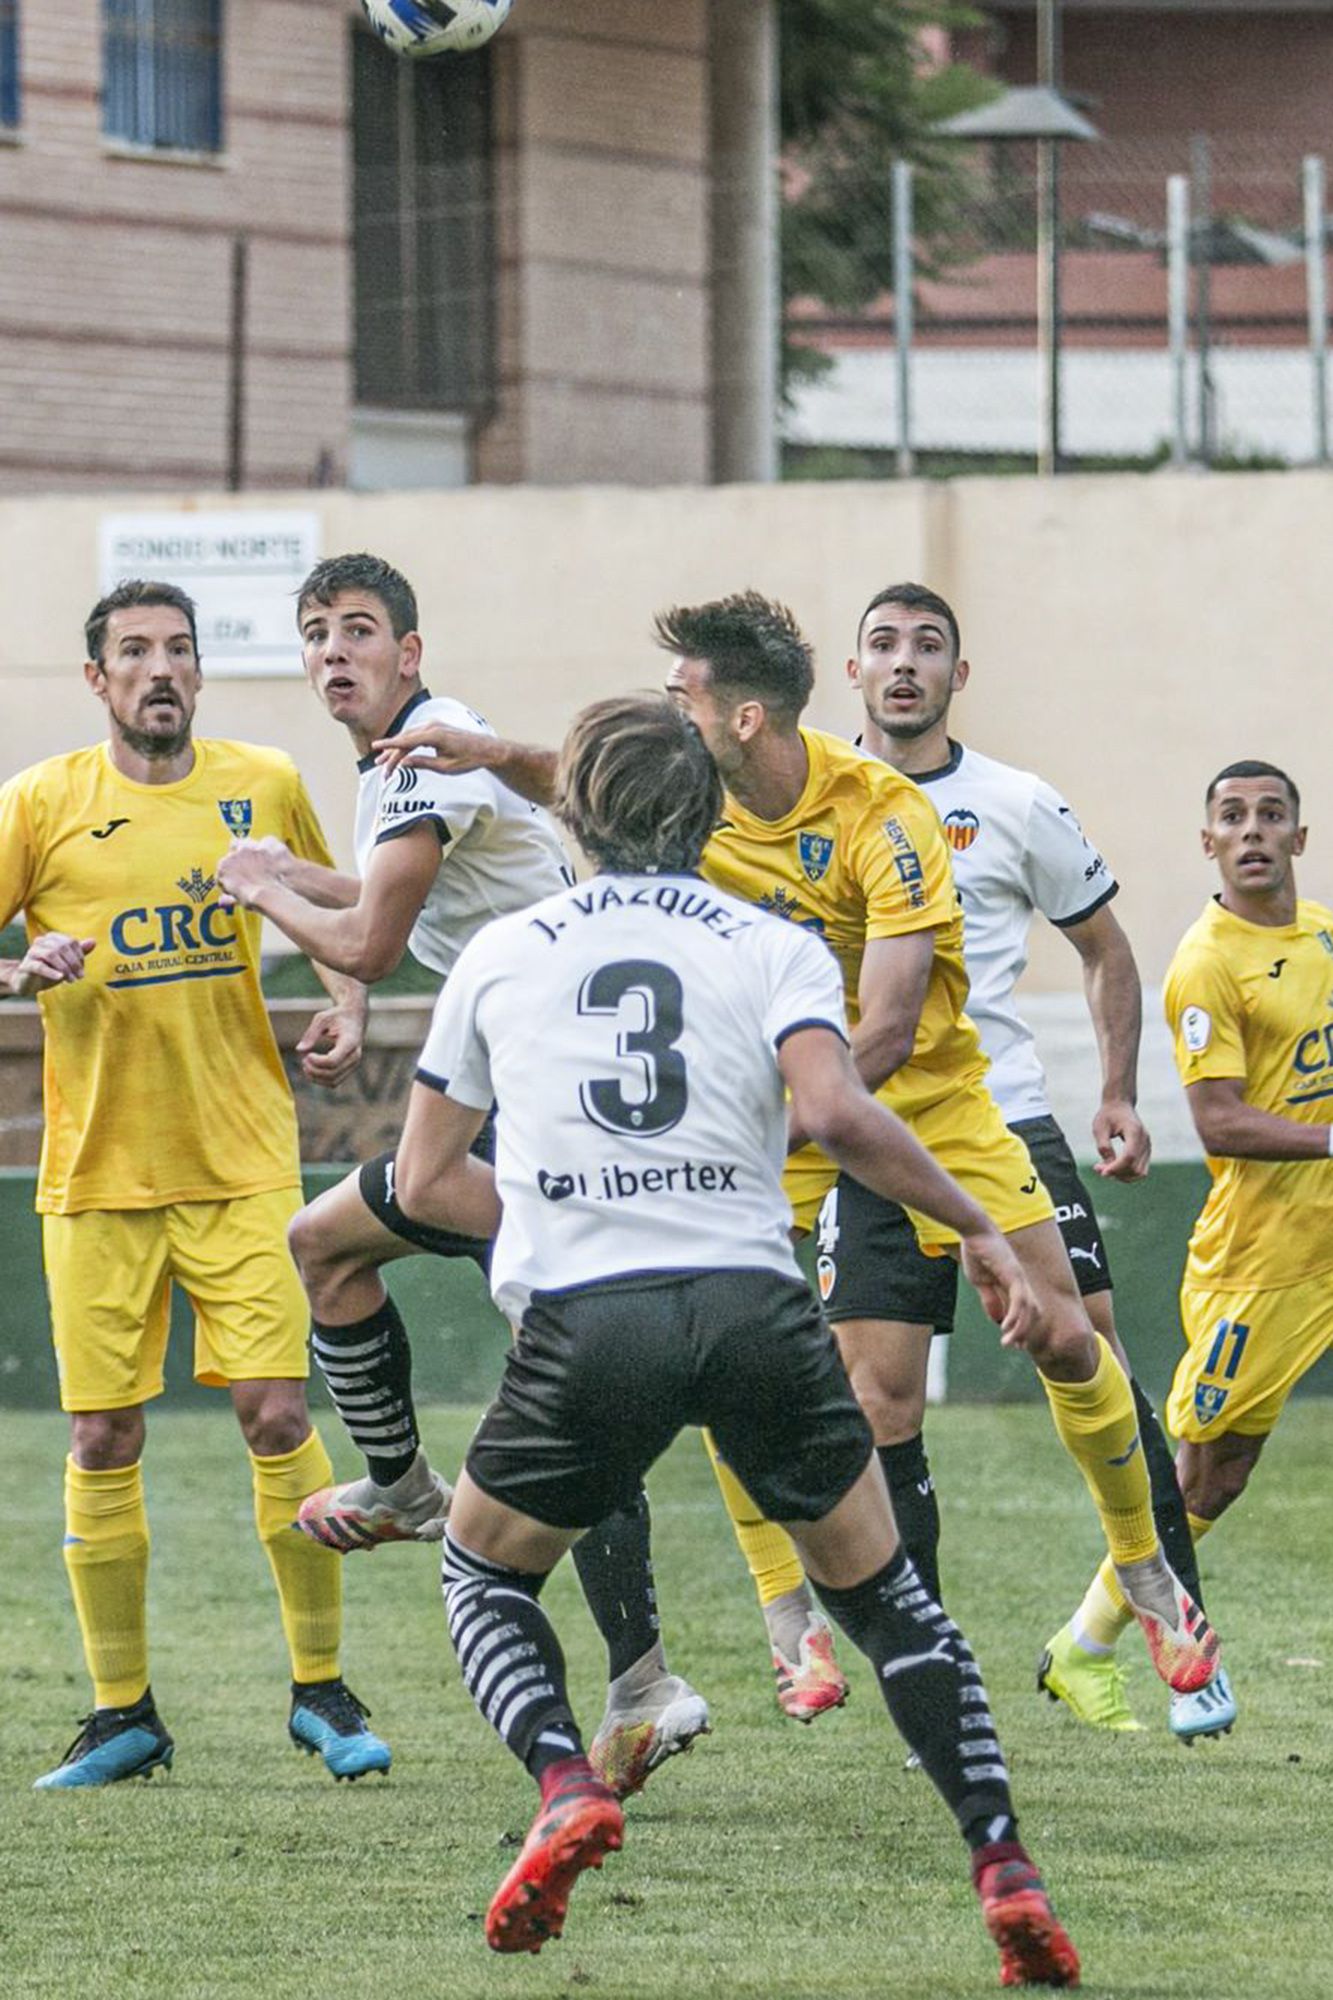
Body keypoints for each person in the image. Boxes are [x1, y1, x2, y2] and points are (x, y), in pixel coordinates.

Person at [373, 591, 1224, 1729]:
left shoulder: (884, 814)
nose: (670, 710)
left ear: (744, 717)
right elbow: (585, 779)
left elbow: (881, 1031)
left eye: (684, 695)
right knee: (775, 1360)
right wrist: (486, 752)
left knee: (1069, 1333)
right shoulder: (692, 789)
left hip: (922, 1099)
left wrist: (767, 1125)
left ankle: (1146, 1570)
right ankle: (789, 1618)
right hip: (783, 1111)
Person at [390, 690, 1080, 1985]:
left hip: (589, 1317)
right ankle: (1003, 1867)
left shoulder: (502, 950)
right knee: (887, 1602)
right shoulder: (767, 942)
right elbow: (833, 1110)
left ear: (573, 814)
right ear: (707, 813)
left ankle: (560, 1781)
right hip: (755, 1303)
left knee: (484, 1573)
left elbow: (426, 1184)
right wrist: (978, 1228)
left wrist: (561, 1214)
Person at [215, 552, 708, 1796]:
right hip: (526, 1108)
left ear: (410, 653)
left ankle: (643, 1668)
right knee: (326, 1243)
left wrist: (262, 886)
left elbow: (370, 944)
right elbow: (391, 897)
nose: (336, 651)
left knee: (569, 1376)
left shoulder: (426, 749)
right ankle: (401, 1483)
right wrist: (288, 876)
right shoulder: (422, 761)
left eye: (361, 630)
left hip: (548, 1121)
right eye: (317, 632)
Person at [0, 579, 389, 1788]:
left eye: (177, 650)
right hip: (98, 1172)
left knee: (277, 1413)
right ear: (97, 679)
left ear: (200, 673)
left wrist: (345, 1003)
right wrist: (21, 964)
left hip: (240, 1164)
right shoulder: (42, 803)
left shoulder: (262, 781)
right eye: (133, 652)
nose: (158, 668)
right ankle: (124, 1712)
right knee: (103, 1432)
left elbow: (354, 910)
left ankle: (322, 1691)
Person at [825, 582, 1228, 1742]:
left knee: (1089, 1348)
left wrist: (1110, 1090)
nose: (905, 664)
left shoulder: (1014, 802)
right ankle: (930, 1669)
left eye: (928, 646)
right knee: (877, 1400)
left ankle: (1179, 1631)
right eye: (884, 646)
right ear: (852, 672)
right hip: (865, 1134)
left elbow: (1104, 947)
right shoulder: (820, 801)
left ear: (961, 673)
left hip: (998, 1118)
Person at [1157, 763, 1330, 1706]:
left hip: (1325, 1240)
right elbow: (1217, 1122)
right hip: (1257, 1259)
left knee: (1221, 1471)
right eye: (1232, 816)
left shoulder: (1323, 940)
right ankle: (1130, 1639)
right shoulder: (1205, 961)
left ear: (1298, 839)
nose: (1252, 829)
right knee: (1211, 1470)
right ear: (1208, 842)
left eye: (1271, 816)